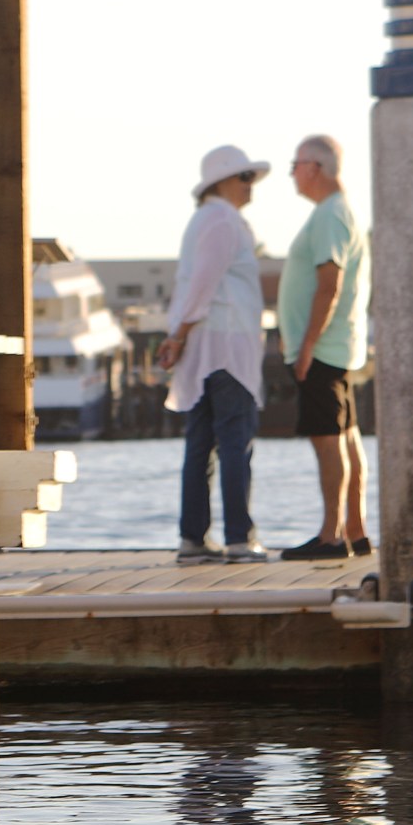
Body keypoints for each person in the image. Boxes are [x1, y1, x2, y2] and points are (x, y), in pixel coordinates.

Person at [160, 145, 273, 565]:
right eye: (244, 178)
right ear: (221, 182)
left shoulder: (205, 219)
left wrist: (180, 334)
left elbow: (193, 282)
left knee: (201, 443)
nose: (251, 188)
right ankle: (240, 539)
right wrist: (181, 333)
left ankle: (193, 539)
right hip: (226, 345)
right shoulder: (223, 219)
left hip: (206, 346)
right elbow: (204, 283)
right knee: (233, 442)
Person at [275, 135, 372, 561]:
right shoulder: (337, 212)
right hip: (338, 346)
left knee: (328, 439)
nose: (292, 172)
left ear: (315, 167)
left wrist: (308, 344)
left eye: (295, 164)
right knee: (346, 436)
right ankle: (355, 530)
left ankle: (331, 536)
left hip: (324, 348)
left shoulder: (330, 215)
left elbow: (328, 283)